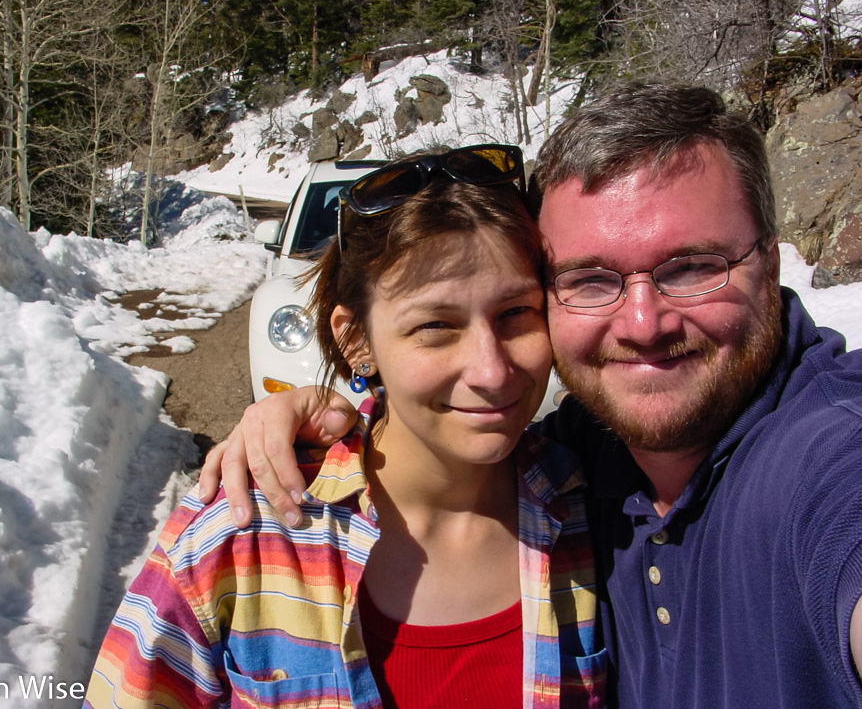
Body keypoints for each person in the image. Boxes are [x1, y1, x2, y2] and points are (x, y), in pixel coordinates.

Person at [199, 82, 862, 709]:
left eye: (691, 267)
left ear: (771, 265)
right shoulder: (579, 458)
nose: (642, 324)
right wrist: (315, 413)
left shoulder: (827, 454)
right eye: (591, 279)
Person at [83, 145, 607, 708]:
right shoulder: (240, 536)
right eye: (435, 325)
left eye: (515, 314)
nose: (491, 369)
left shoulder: (594, 509)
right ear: (356, 340)